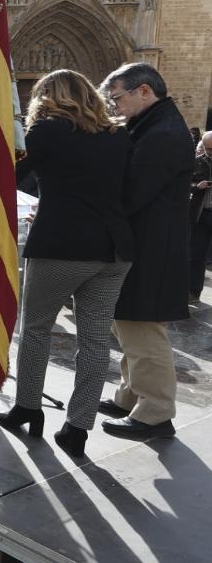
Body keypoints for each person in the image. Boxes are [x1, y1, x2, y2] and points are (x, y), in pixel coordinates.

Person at [0, 70, 133, 457]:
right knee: (95, 339)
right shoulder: (118, 134)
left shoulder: (49, 130)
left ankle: (28, 407)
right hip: (115, 249)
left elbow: (10, 174)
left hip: (63, 245)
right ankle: (78, 427)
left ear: (47, 97)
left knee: (35, 329)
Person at [98, 63, 194, 440]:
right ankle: (130, 396)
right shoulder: (152, 125)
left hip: (151, 248)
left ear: (143, 91)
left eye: (117, 97)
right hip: (141, 244)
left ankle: (155, 412)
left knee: (142, 328)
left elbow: (132, 194)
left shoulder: (163, 134)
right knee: (127, 323)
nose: (114, 106)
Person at [189, 131, 212, 304]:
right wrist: (197, 186)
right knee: (197, 255)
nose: (210, 152)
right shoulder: (197, 162)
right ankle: (193, 291)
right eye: (208, 148)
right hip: (201, 215)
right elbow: (185, 184)